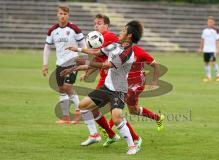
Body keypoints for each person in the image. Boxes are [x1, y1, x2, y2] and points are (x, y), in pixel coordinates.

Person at [62, 20, 144, 155]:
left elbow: (107, 65)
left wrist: (86, 62)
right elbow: (98, 52)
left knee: (117, 118)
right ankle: (97, 135)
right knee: (83, 105)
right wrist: (77, 51)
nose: (121, 32)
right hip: (107, 87)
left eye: (123, 30)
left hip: (118, 90)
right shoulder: (114, 45)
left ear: (129, 36)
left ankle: (132, 146)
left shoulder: (128, 53)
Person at [42, 5, 86, 124]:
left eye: (65, 14)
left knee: (67, 87)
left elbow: (83, 44)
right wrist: (45, 64)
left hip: (73, 62)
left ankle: (79, 112)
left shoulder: (74, 29)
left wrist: (84, 58)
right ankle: (65, 117)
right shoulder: (52, 30)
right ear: (57, 14)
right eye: (60, 13)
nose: (62, 16)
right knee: (61, 89)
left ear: (68, 15)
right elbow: (47, 47)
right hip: (60, 64)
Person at [199, 16, 219, 82]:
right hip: (206, 50)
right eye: (209, 22)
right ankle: (208, 76)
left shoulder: (216, 31)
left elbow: (218, 40)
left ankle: (218, 76)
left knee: (213, 62)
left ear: (214, 22)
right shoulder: (204, 31)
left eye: (211, 22)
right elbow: (202, 40)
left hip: (212, 50)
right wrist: (201, 48)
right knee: (206, 63)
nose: (210, 23)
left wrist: (218, 49)